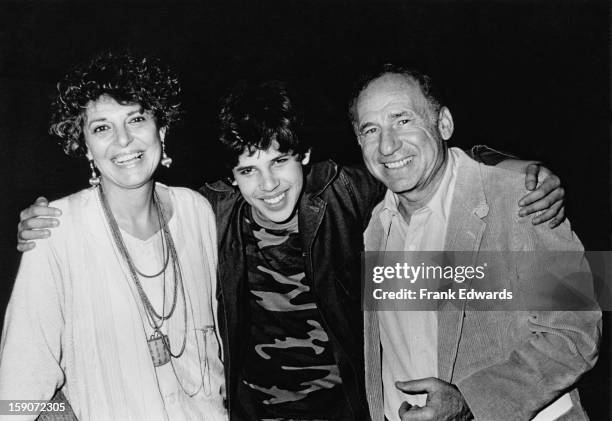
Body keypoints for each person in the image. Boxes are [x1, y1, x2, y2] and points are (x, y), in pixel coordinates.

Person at [16, 80, 566, 420]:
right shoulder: (210, 212)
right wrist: (49, 221)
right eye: (248, 170)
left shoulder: (349, 194)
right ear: (231, 177)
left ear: (304, 155)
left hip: (351, 411)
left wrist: (515, 167)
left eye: (279, 162)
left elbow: (423, 167)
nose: (268, 186)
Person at [349, 64, 601, 421]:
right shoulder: (373, 227)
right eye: (371, 129)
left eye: (402, 120)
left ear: (444, 124)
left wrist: (472, 403)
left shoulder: (523, 198)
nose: (387, 145)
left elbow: (577, 333)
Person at [1, 52, 227, 420]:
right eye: (102, 127)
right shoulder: (56, 232)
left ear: (162, 130)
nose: (123, 140)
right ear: (86, 146)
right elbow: (12, 397)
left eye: (136, 119)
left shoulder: (197, 211)